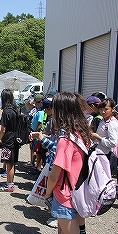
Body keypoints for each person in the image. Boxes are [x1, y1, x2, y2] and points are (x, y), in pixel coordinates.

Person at [44, 92, 90, 234]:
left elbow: (54, 176)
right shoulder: (82, 134)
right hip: (78, 192)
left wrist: (47, 194)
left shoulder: (65, 141)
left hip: (64, 196)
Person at [0, 89, 19, 192]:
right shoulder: (16, 109)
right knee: (12, 162)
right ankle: (10, 182)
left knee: (9, 163)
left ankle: (9, 185)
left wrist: (1, 137)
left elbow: (3, 129)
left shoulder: (6, 112)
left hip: (8, 139)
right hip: (16, 139)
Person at [91, 98, 118, 169]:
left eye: (106, 109)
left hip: (106, 155)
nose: (103, 112)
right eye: (101, 109)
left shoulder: (112, 123)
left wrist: (98, 138)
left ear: (113, 109)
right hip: (100, 154)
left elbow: (113, 143)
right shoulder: (103, 120)